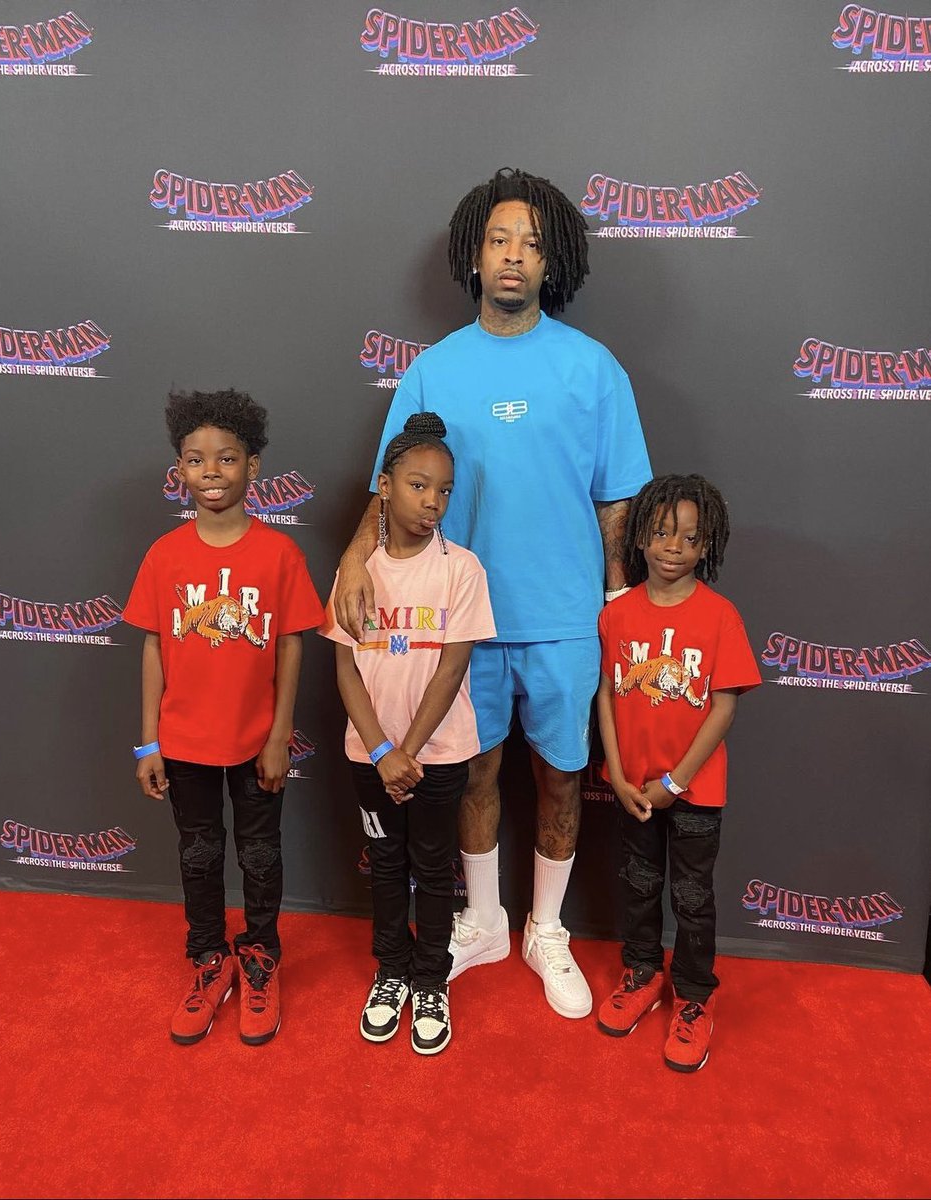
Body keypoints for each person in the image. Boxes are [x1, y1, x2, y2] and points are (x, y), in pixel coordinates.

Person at [334, 168, 652, 1019]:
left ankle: (547, 929)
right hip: (453, 624)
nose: (515, 257)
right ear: (474, 255)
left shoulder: (593, 369)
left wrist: (619, 598)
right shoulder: (434, 372)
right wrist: (357, 563)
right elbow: (385, 489)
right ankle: (482, 919)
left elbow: (618, 498)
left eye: (534, 245)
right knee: (471, 774)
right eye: (500, 240)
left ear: (556, 264)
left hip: (562, 621)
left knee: (558, 778)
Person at [123, 388, 325, 1046]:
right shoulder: (164, 556)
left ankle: (260, 957)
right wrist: (147, 742)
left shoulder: (278, 556)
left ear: (253, 467)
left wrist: (278, 736)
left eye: (227, 458)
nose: (211, 471)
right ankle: (209, 960)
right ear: (178, 469)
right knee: (200, 855)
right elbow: (154, 645)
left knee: (262, 856)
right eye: (195, 459)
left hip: (254, 745)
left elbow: (291, 644)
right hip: (183, 744)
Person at [321, 413, 496, 1055]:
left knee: (432, 863)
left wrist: (410, 752)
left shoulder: (463, 570)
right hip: (371, 757)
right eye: (419, 486)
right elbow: (344, 663)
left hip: (437, 757)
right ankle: (392, 971)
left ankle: (431, 979)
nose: (432, 502)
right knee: (386, 866)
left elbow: (453, 666)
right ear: (386, 486)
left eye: (445, 490)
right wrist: (380, 750)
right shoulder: (357, 572)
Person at [594, 474, 761, 1071]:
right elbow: (608, 697)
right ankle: (641, 973)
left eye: (689, 538)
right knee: (638, 885)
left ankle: (692, 998)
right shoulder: (617, 616)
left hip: (692, 791)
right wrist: (614, 770)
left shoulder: (719, 617)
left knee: (691, 898)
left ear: (705, 545)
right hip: (633, 786)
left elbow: (724, 706)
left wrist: (676, 781)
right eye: (662, 533)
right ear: (640, 536)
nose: (673, 547)